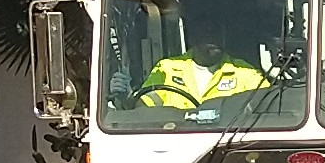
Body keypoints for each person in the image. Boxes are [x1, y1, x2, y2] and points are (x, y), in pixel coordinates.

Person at [109, 16, 268, 110]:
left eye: (219, 34)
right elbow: (145, 108)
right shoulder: (167, 68)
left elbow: (270, 104)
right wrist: (127, 97)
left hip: (225, 144)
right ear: (193, 38)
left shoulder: (243, 71)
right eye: (208, 33)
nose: (215, 39)